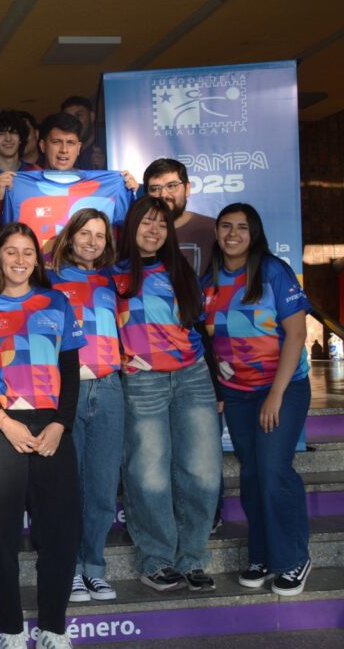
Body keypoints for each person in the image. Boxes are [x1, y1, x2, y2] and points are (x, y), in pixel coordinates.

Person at [0, 222, 85, 649]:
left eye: (28, 252)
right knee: (0, 535)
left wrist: (60, 424)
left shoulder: (56, 302)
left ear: (37, 260)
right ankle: (10, 629)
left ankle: (54, 628)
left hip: (51, 426)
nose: (20, 260)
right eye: (11, 251)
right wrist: (4, 422)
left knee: (60, 533)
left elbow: (69, 371)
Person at [108, 196, 222, 593]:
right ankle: (156, 560)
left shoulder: (181, 270)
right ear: (131, 226)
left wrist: (215, 382)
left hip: (192, 376)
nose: (154, 230)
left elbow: (199, 329)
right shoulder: (112, 275)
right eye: (147, 222)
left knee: (203, 471)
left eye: (161, 224)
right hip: (143, 381)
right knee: (148, 473)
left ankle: (192, 559)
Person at [203, 203, 312, 596]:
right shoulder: (208, 281)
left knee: (272, 469)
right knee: (251, 474)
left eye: (242, 227)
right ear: (217, 232)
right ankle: (262, 555)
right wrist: (218, 386)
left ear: (254, 234)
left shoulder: (273, 272)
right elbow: (207, 340)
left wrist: (276, 395)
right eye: (226, 226)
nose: (233, 234)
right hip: (237, 394)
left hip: (282, 388)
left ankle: (293, 558)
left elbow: (296, 334)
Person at [46, 210, 123, 603]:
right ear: (70, 236)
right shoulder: (48, 280)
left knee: (103, 487)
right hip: (67, 390)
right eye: (85, 233)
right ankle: (71, 568)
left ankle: (94, 567)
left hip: (109, 389)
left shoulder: (112, 279)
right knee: (68, 487)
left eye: (99, 235)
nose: (92, 241)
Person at [1, 113, 137, 251]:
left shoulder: (110, 186)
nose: (64, 150)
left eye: (70, 143)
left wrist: (131, 194)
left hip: (89, 265)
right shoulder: (19, 186)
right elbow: (4, 237)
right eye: (56, 142)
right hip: (39, 265)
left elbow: (131, 232)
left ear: (78, 148)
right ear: (42, 146)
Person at [144, 158, 216, 276]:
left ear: (187, 189)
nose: (164, 195)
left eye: (172, 186)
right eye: (155, 189)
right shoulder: (137, 232)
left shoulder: (213, 229)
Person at [60, 96, 104, 170]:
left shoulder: (110, 140)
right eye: (69, 118)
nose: (74, 122)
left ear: (92, 116)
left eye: (79, 115)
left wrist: (105, 165)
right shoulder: (62, 145)